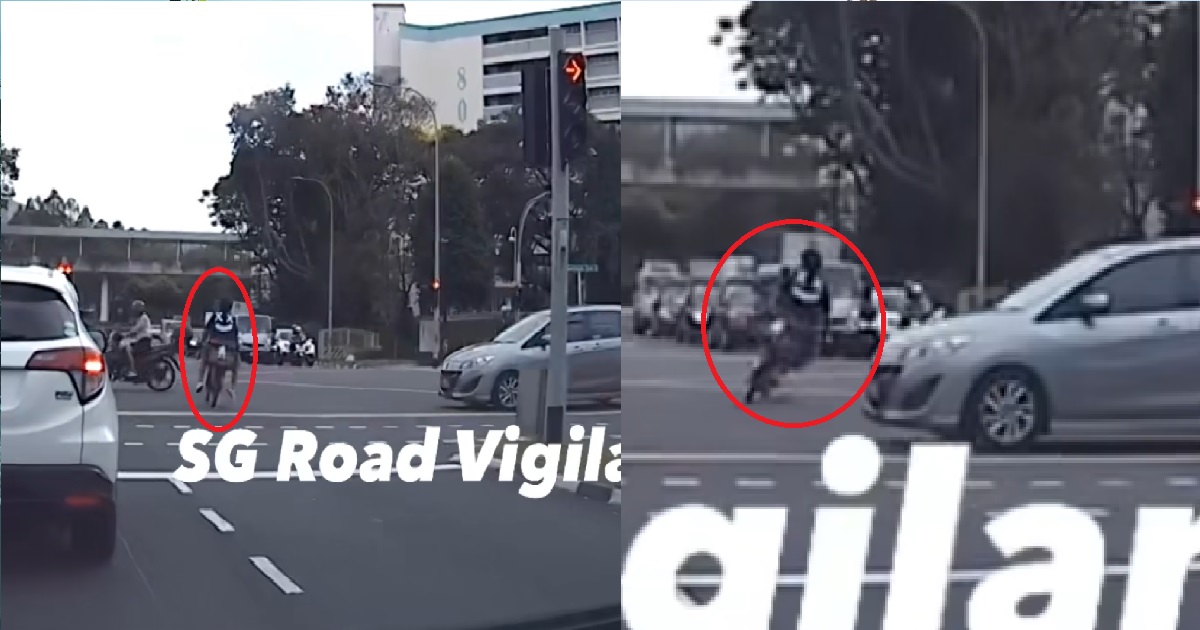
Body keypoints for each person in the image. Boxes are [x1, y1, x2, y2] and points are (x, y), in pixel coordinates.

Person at [196, 298, 240, 395]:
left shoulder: (214, 317)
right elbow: (236, 334)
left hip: (214, 343)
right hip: (229, 345)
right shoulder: (233, 319)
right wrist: (237, 347)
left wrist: (202, 342)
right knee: (235, 366)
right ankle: (232, 387)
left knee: (204, 360)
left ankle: (200, 381)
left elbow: (207, 331)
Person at [121, 300, 153, 379]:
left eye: (135, 309)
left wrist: (126, 334)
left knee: (128, 349)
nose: (134, 311)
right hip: (141, 339)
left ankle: (133, 370)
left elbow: (136, 329)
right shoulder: (141, 318)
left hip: (144, 340)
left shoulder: (143, 318)